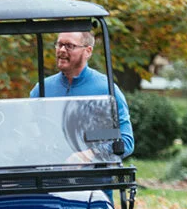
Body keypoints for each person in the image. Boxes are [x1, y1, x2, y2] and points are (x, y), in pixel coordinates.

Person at [29, 30, 134, 158]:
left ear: (88, 51)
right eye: (59, 44)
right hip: (50, 173)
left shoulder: (106, 90)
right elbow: (26, 132)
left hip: (94, 175)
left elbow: (126, 142)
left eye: (69, 46)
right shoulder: (42, 89)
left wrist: (88, 156)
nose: (61, 50)